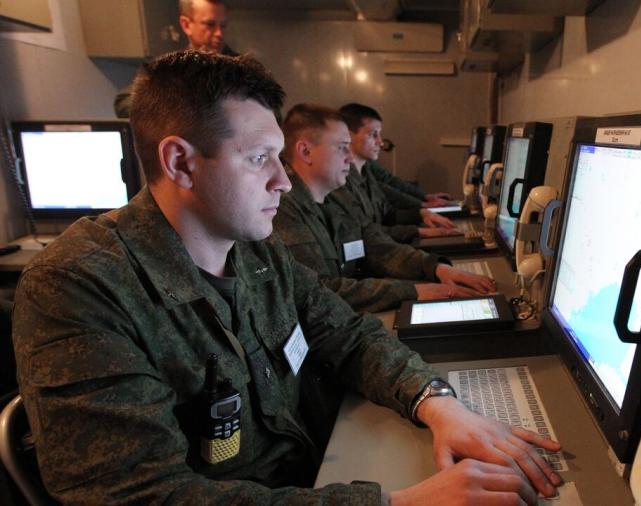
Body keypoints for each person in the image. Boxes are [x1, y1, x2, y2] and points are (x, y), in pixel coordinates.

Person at [13, 50, 562, 504]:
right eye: (259, 159)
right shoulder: (78, 289)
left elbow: (348, 334)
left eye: (279, 157)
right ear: (180, 162)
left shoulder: (257, 250)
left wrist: (437, 403)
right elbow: (144, 495)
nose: (283, 181)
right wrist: (396, 503)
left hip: (317, 471)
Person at [274, 104, 495, 313]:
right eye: (342, 148)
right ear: (305, 152)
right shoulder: (282, 209)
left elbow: (376, 246)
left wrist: (438, 269)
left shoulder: (331, 198)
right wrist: (412, 291)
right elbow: (321, 291)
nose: (350, 158)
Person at [338, 103, 461, 243]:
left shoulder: (367, 173)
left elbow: (387, 215)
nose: (380, 142)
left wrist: (422, 214)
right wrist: (419, 231)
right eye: (373, 135)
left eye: (379, 135)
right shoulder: (341, 181)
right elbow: (365, 233)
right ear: (348, 135)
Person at [114, 0, 236, 118]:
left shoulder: (240, 70)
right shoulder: (172, 67)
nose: (219, 33)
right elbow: (124, 101)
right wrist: (174, 109)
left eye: (223, 25)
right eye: (210, 24)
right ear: (186, 25)